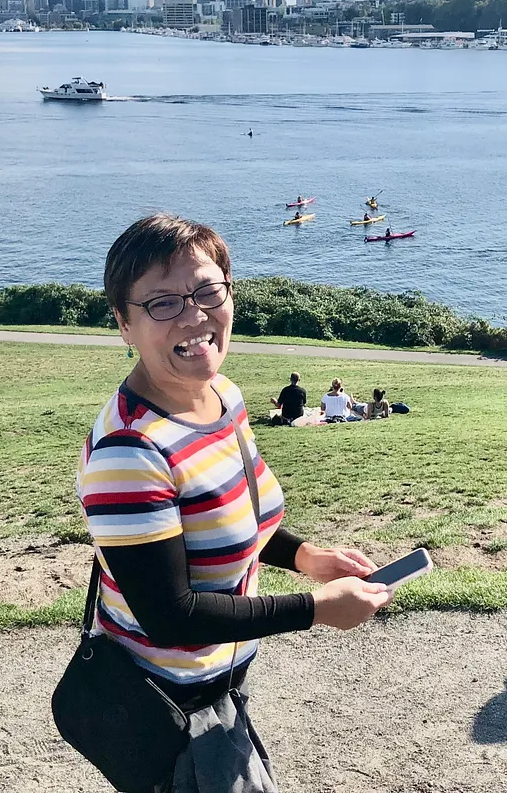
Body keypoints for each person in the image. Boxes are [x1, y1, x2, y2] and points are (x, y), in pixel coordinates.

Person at [76, 214, 393, 790]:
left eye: (206, 291)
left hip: (222, 675)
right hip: (166, 695)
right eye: (163, 302)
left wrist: (306, 558)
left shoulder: (222, 395)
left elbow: (237, 515)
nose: (194, 315)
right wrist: (317, 609)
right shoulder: (130, 451)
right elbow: (170, 616)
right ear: (123, 324)